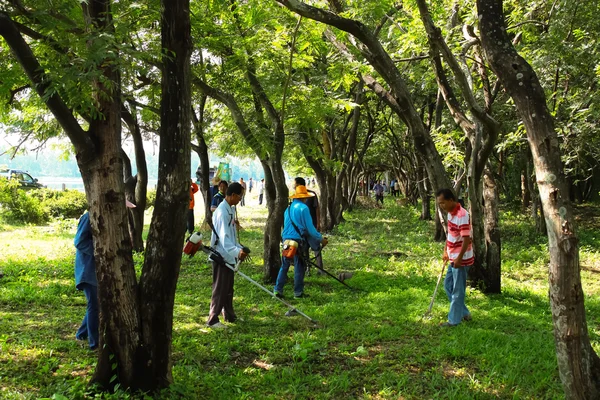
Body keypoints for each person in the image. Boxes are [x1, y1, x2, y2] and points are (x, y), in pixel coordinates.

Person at [75, 201, 136, 350]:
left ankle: (81, 334)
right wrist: (100, 253)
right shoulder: (89, 217)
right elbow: (79, 241)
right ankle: (94, 343)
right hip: (87, 269)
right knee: (94, 305)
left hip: (97, 269)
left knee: (95, 303)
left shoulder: (108, 217)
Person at [274, 185, 328, 299]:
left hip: (286, 240)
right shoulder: (304, 208)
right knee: (300, 265)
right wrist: (321, 239)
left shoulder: (287, 209)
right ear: (304, 197)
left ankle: (277, 290)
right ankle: (298, 292)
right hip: (298, 241)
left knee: (285, 265)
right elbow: (311, 229)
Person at [207, 182, 248, 329]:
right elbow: (224, 238)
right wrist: (237, 252)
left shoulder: (229, 210)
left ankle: (229, 315)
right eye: (240, 196)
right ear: (233, 195)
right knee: (220, 288)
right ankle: (212, 320)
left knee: (229, 287)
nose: (240, 199)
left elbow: (231, 237)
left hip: (229, 255)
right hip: (221, 255)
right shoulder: (222, 212)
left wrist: (240, 248)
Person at [436, 188, 473, 327]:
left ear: (451, 200)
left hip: (461, 260)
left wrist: (459, 259)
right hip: (453, 257)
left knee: (458, 290)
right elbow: (450, 234)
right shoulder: (451, 214)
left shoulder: (462, 215)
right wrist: (446, 250)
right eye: (440, 204)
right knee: (448, 285)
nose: (442, 206)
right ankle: (464, 312)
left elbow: (466, 239)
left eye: (443, 203)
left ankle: (453, 321)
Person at [293, 177, 322, 271]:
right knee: (304, 248)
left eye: (295, 184)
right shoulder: (295, 196)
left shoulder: (311, 195)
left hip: (311, 225)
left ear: (300, 185)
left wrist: (318, 223)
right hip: (301, 228)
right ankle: (307, 267)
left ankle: (320, 269)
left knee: (316, 246)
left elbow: (317, 208)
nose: (293, 186)